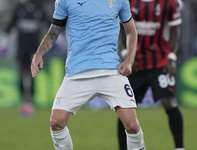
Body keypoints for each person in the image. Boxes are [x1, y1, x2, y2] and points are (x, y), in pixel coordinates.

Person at [30, 0, 146, 149]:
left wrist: (129, 61)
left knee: (132, 126)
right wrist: (39, 53)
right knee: (56, 122)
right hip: (77, 72)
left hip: (111, 71)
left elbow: (131, 30)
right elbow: (54, 30)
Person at [118, 0, 184, 150]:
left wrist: (172, 57)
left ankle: (180, 148)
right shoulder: (127, 2)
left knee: (170, 103)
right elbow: (121, 28)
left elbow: (175, 30)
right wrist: (126, 54)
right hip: (135, 65)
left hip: (160, 63)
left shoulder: (169, 3)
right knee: (124, 109)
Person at [6, 0, 48, 116]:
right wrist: (4, 41)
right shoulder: (19, 8)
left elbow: (50, 25)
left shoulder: (39, 8)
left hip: (35, 50)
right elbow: (9, 26)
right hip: (21, 49)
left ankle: (31, 102)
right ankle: (23, 102)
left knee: (32, 76)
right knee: (21, 74)